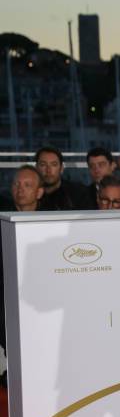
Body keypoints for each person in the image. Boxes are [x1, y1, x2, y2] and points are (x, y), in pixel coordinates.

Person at [0, 165, 45, 385]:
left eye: (27, 185)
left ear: (39, 192)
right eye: (17, 184)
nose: (20, 189)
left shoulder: (49, 224)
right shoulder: (2, 222)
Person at [35, 146, 87, 210]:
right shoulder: (29, 194)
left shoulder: (78, 193)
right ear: (36, 168)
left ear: (61, 168)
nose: (48, 170)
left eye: (54, 164)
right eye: (43, 165)